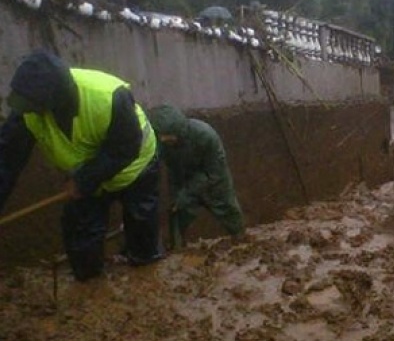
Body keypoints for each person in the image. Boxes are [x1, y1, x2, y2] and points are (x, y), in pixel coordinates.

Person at [0, 50, 163, 281]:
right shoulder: (28, 111)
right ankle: (91, 287)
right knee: (82, 248)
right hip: (86, 180)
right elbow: (5, 162)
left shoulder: (108, 96)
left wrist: (83, 180)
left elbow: (125, 148)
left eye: (33, 106)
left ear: (53, 101)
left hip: (135, 169)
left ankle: (147, 282)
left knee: (142, 238)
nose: (26, 111)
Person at [147, 104, 245, 249]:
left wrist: (188, 192)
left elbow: (214, 173)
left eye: (167, 135)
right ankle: (177, 249)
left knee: (227, 207)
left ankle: (241, 240)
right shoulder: (160, 143)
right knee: (177, 210)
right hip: (181, 177)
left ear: (177, 131)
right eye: (160, 135)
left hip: (213, 178)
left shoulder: (206, 136)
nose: (163, 139)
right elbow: (151, 164)